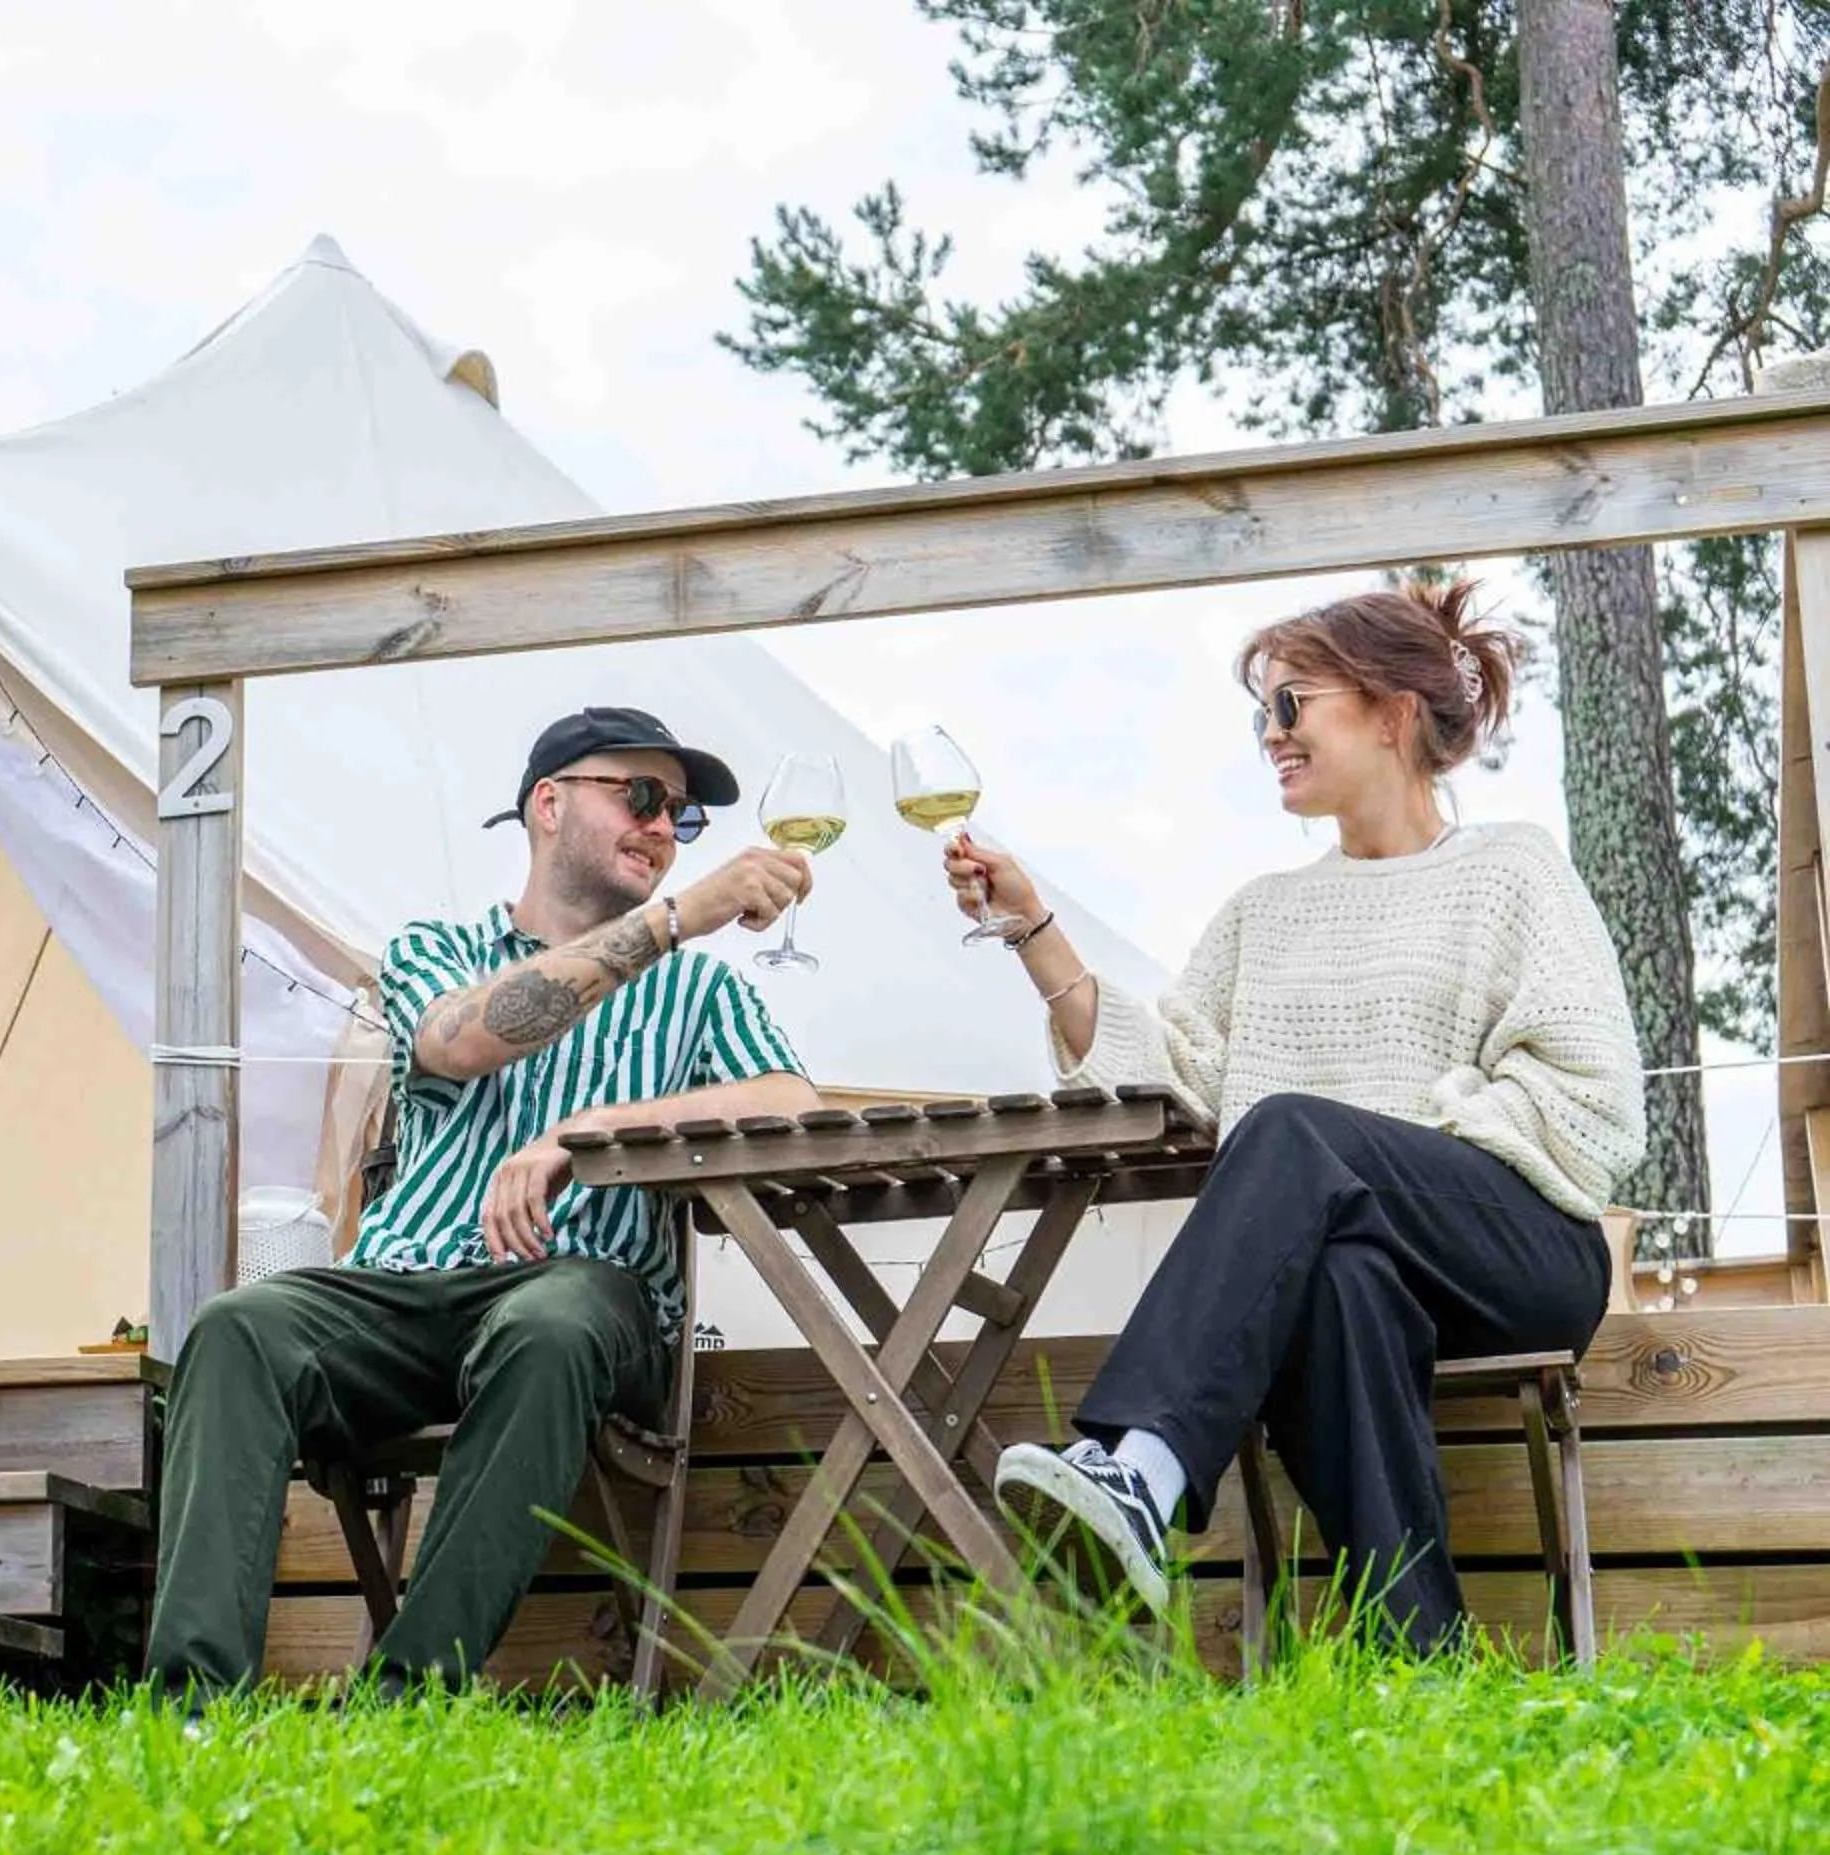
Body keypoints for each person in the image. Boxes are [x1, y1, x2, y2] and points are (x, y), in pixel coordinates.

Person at [957, 579, 1645, 1650]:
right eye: (1259, 714)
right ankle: (1420, 1658)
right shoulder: (1262, 914)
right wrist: (1033, 926)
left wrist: (1378, 1151)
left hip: (1519, 1246)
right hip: (1369, 1253)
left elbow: (1592, 1101)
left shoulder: (1512, 870)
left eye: (1292, 704)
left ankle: (1142, 1466)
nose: (1270, 734)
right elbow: (1172, 1067)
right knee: (1339, 1275)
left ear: (1392, 709)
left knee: (1293, 1134)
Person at [145, 706, 823, 1697]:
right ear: (549, 804)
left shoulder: (703, 996)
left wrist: (585, 1132)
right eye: (641, 795)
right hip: (402, 1282)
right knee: (238, 1325)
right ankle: (191, 1706)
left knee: (547, 1327)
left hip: (586, 1290)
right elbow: (466, 1037)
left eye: (681, 815)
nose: (665, 827)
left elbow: (791, 1101)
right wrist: (678, 915)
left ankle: (410, 1697)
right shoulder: (440, 948)